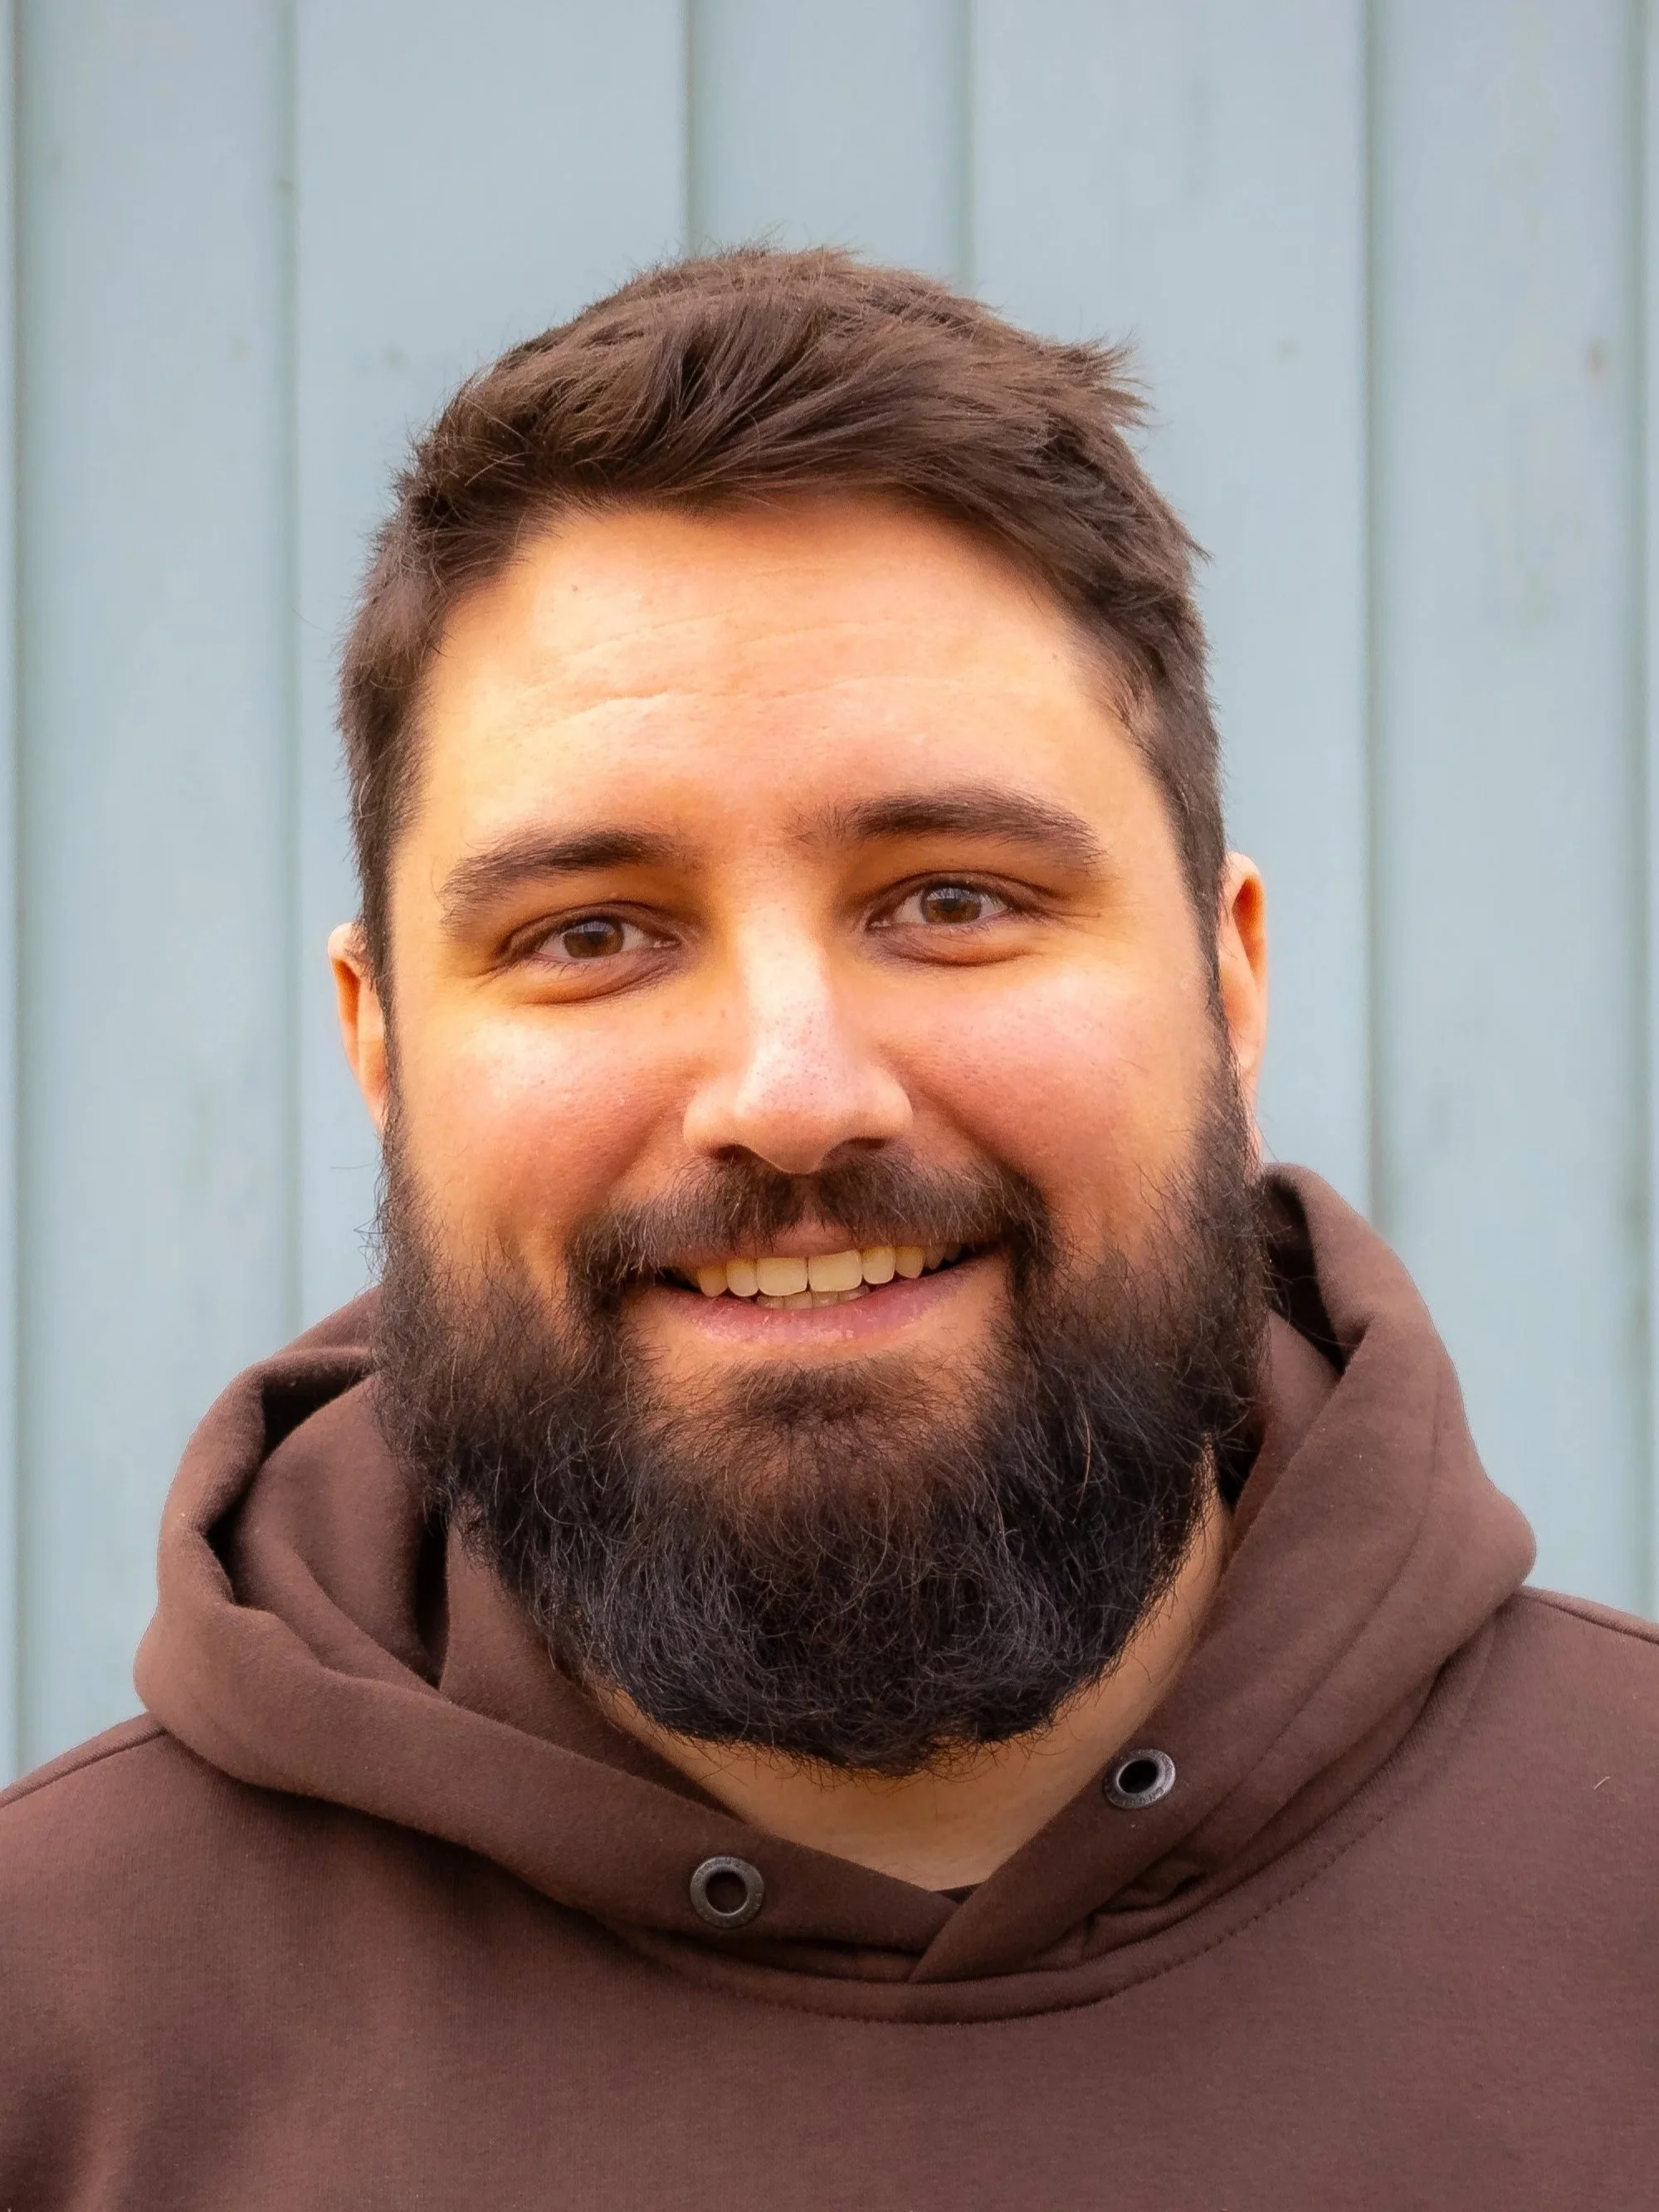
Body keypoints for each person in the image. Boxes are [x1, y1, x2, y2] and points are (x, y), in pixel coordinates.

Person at [2, 248, 1654, 2210]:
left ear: (1230, 981)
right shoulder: (52, 2031)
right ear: (380, 1045)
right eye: (592, 934)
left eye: (953, 898)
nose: (791, 1088)